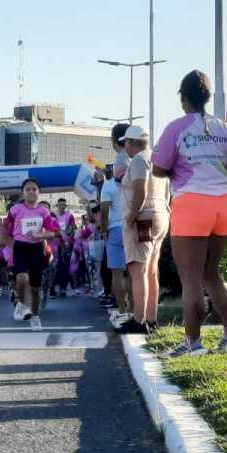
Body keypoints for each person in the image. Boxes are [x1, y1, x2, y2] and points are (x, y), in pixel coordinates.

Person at [153, 70, 227, 356]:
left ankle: (193, 342)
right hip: (223, 203)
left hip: (191, 202)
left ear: (183, 98)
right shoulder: (223, 127)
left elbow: (158, 168)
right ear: (207, 98)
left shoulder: (175, 128)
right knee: (212, 272)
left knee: (191, 278)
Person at [116, 125, 170, 334]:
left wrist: (131, 217)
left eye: (126, 144)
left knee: (138, 270)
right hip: (161, 216)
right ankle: (151, 318)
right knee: (151, 271)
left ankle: (139, 321)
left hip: (142, 218)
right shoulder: (159, 159)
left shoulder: (139, 160)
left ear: (131, 143)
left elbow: (140, 190)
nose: (125, 149)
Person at [3, 178, 59, 330]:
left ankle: (35, 316)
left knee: (35, 289)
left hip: (36, 248)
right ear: (23, 192)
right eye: (28, 189)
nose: (31, 192)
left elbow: (53, 232)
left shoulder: (44, 211)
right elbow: (5, 228)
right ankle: (21, 304)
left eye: (34, 189)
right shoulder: (15, 209)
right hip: (20, 247)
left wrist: (38, 236)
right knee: (21, 278)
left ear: (38, 192)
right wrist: (8, 243)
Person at [102, 124, 131, 328]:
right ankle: (137, 312)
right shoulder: (139, 168)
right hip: (135, 226)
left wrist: (103, 230)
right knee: (136, 272)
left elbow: (103, 210)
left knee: (118, 273)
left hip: (115, 230)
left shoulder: (110, 183)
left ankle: (122, 312)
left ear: (114, 142)